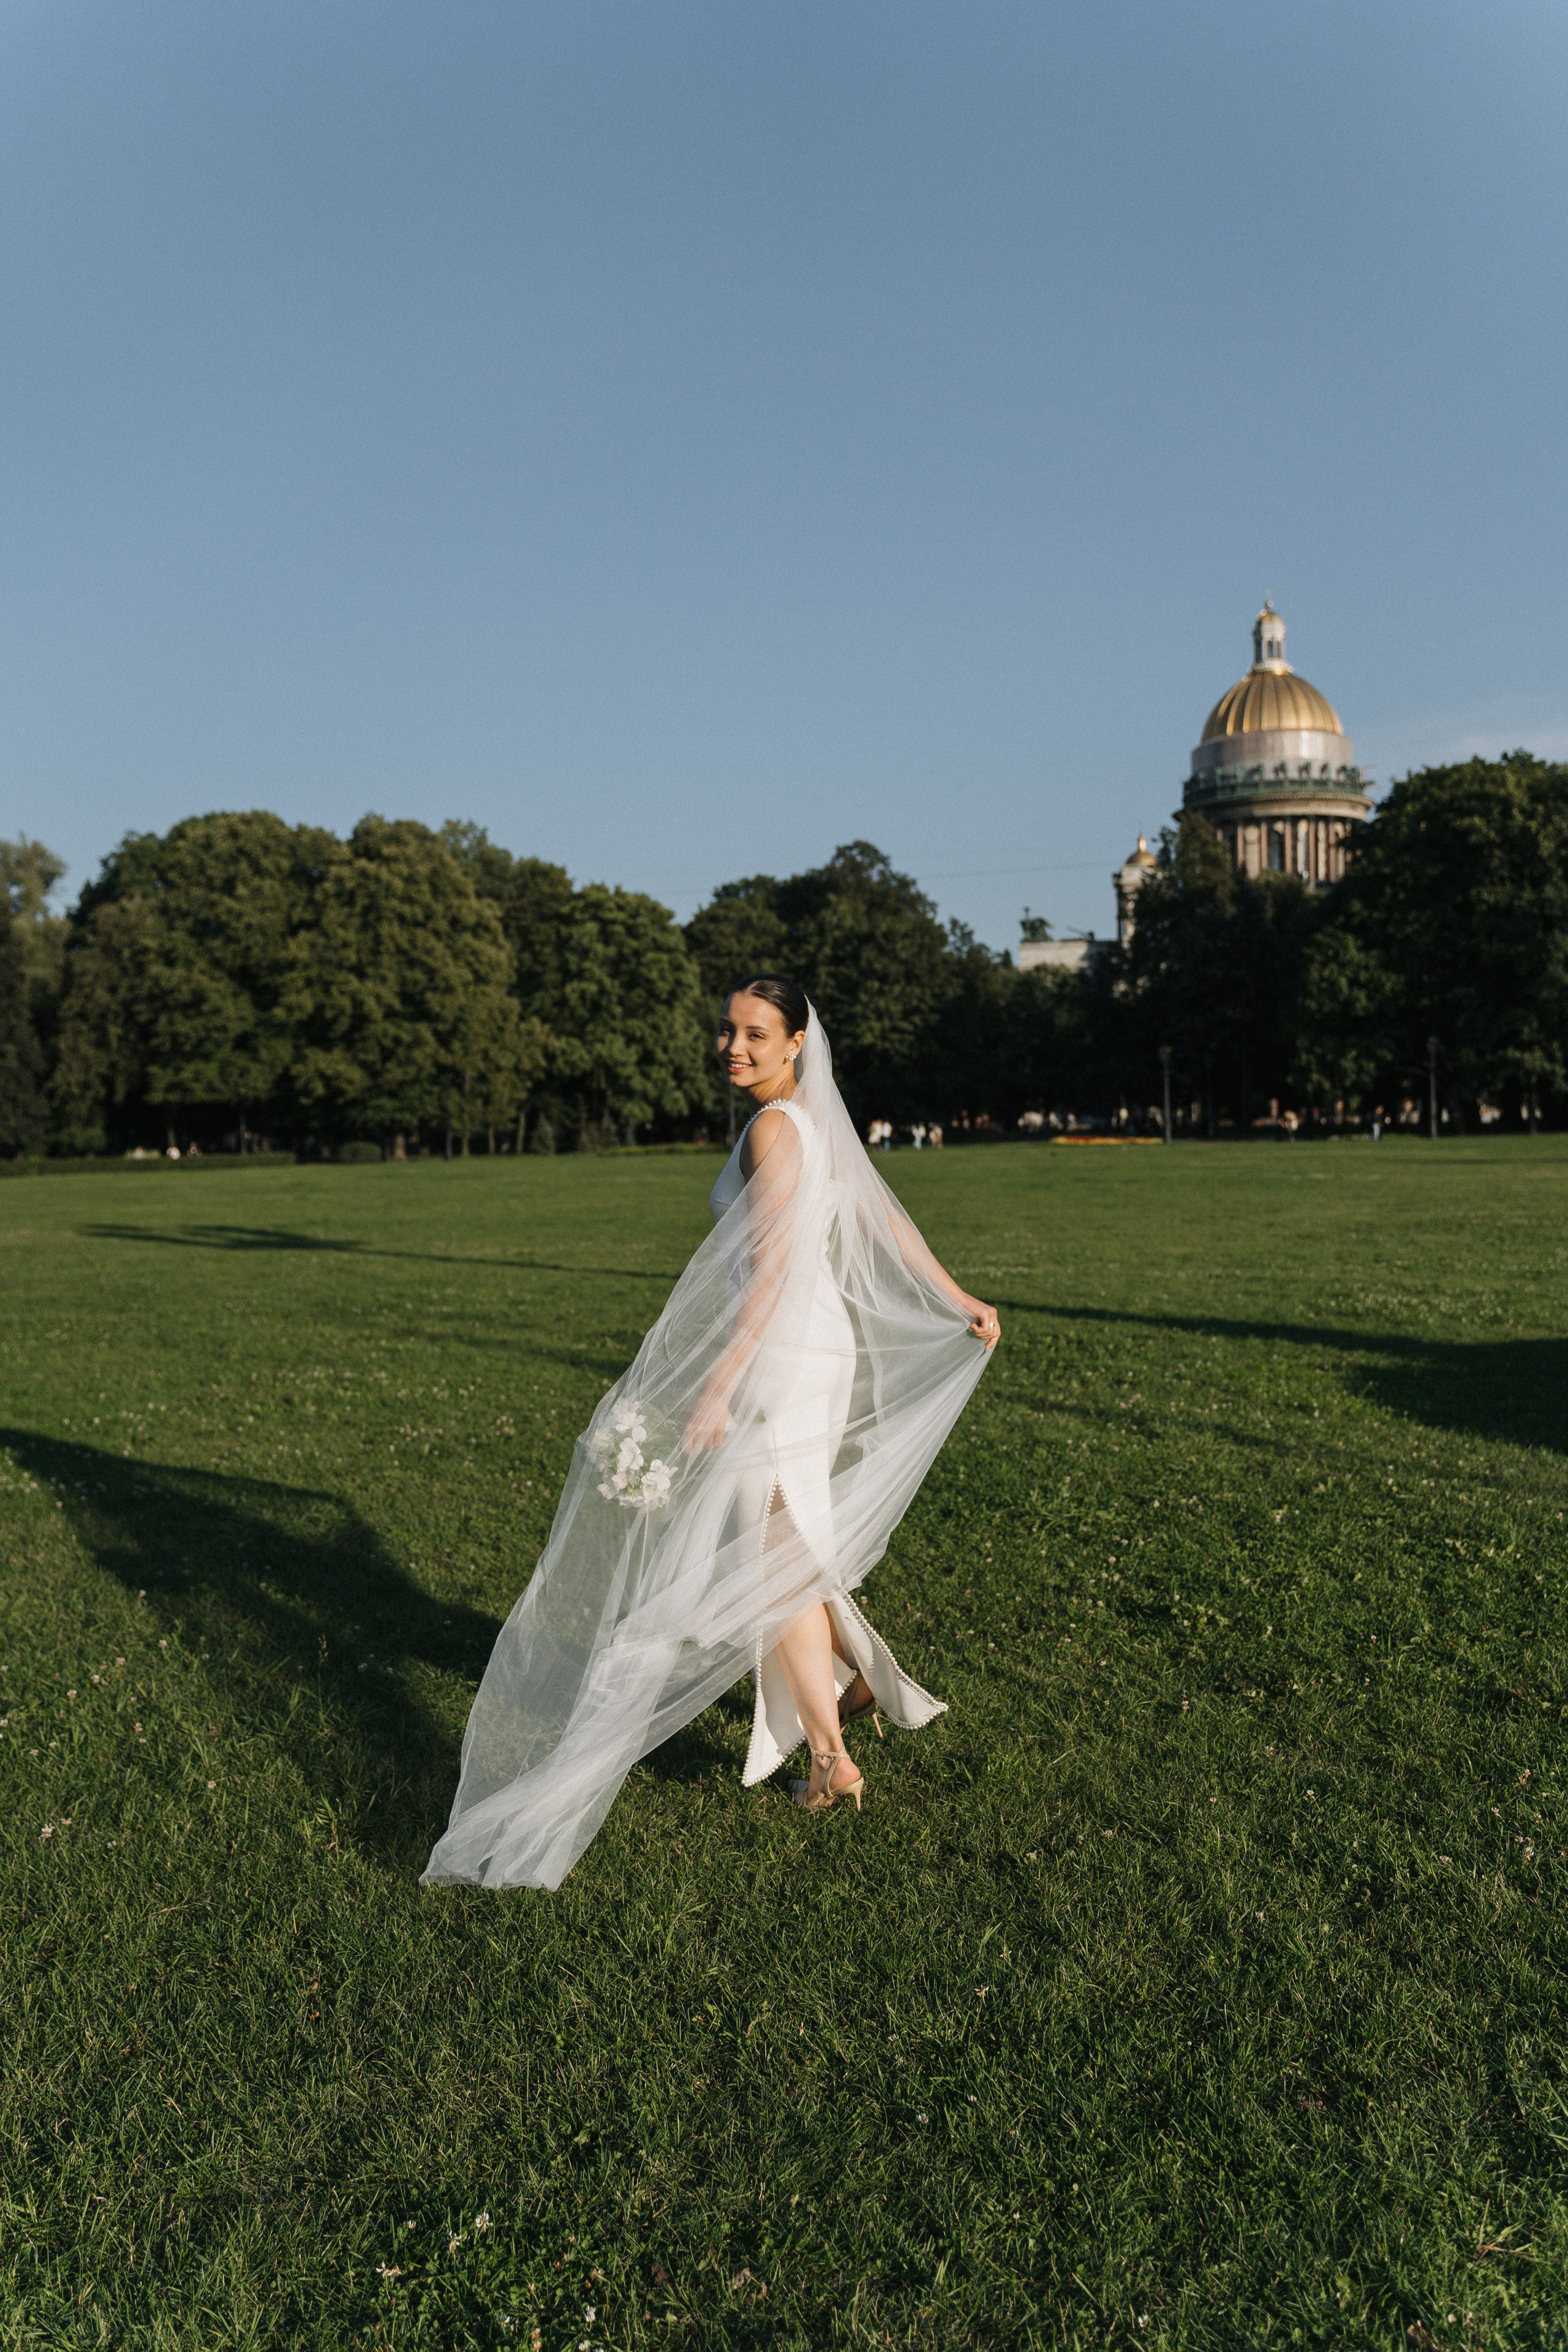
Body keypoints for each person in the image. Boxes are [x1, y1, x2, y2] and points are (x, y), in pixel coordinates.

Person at [423, 976, 1000, 1890]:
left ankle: (829, 1753)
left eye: (756, 1034)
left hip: (780, 1362)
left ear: (796, 1042)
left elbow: (769, 1272)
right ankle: (851, 1698)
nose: (734, 1047)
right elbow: (882, 1214)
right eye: (728, 1031)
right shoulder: (807, 1126)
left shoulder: (777, 1129)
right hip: (813, 1355)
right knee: (777, 1548)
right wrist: (957, 1293)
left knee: (767, 1556)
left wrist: (717, 1387)